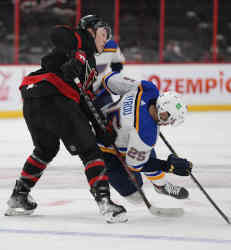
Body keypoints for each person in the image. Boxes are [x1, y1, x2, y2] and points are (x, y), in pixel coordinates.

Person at [5, 14, 127, 224]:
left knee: (45, 150)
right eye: (103, 33)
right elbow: (57, 34)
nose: (106, 39)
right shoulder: (79, 39)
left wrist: (102, 130)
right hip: (53, 96)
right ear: (90, 30)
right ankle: (106, 203)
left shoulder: (89, 66)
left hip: (34, 97)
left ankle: (19, 196)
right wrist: (76, 52)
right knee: (90, 151)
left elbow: (85, 102)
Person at [97, 72, 193, 204]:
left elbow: (108, 79)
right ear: (162, 109)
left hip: (100, 116)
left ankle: (161, 185)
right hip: (104, 150)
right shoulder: (146, 134)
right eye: (168, 119)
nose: (167, 123)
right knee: (136, 198)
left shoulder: (148, 89)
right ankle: (158, 184)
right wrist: (167, 166)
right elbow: (135, 165)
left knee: (143, 148)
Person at [93, 38, 125, 109]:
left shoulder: (110, 45)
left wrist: (105, 83)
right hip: (76, 92)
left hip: (99, 90)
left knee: (111, 115)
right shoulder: (78, 41)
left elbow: (118, 63)